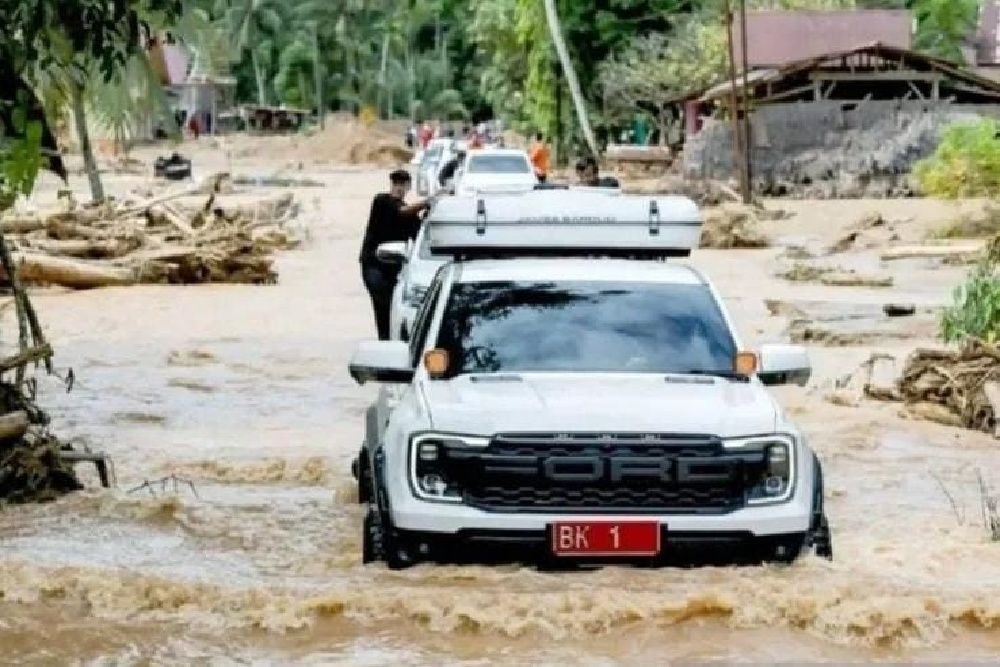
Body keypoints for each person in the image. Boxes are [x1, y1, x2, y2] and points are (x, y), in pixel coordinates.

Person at [359, 170, 431, 340]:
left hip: (396, 266)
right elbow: (402, 212)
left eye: (402, 184)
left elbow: (422, 236)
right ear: (391, 184)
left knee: (395, 308)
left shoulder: (410, 216)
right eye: (396, 184)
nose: (399, 188)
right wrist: (428, 202)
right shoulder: (381, 201)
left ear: (408, 186)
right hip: (373, 264)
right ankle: (385, 341)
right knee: (382, 305)